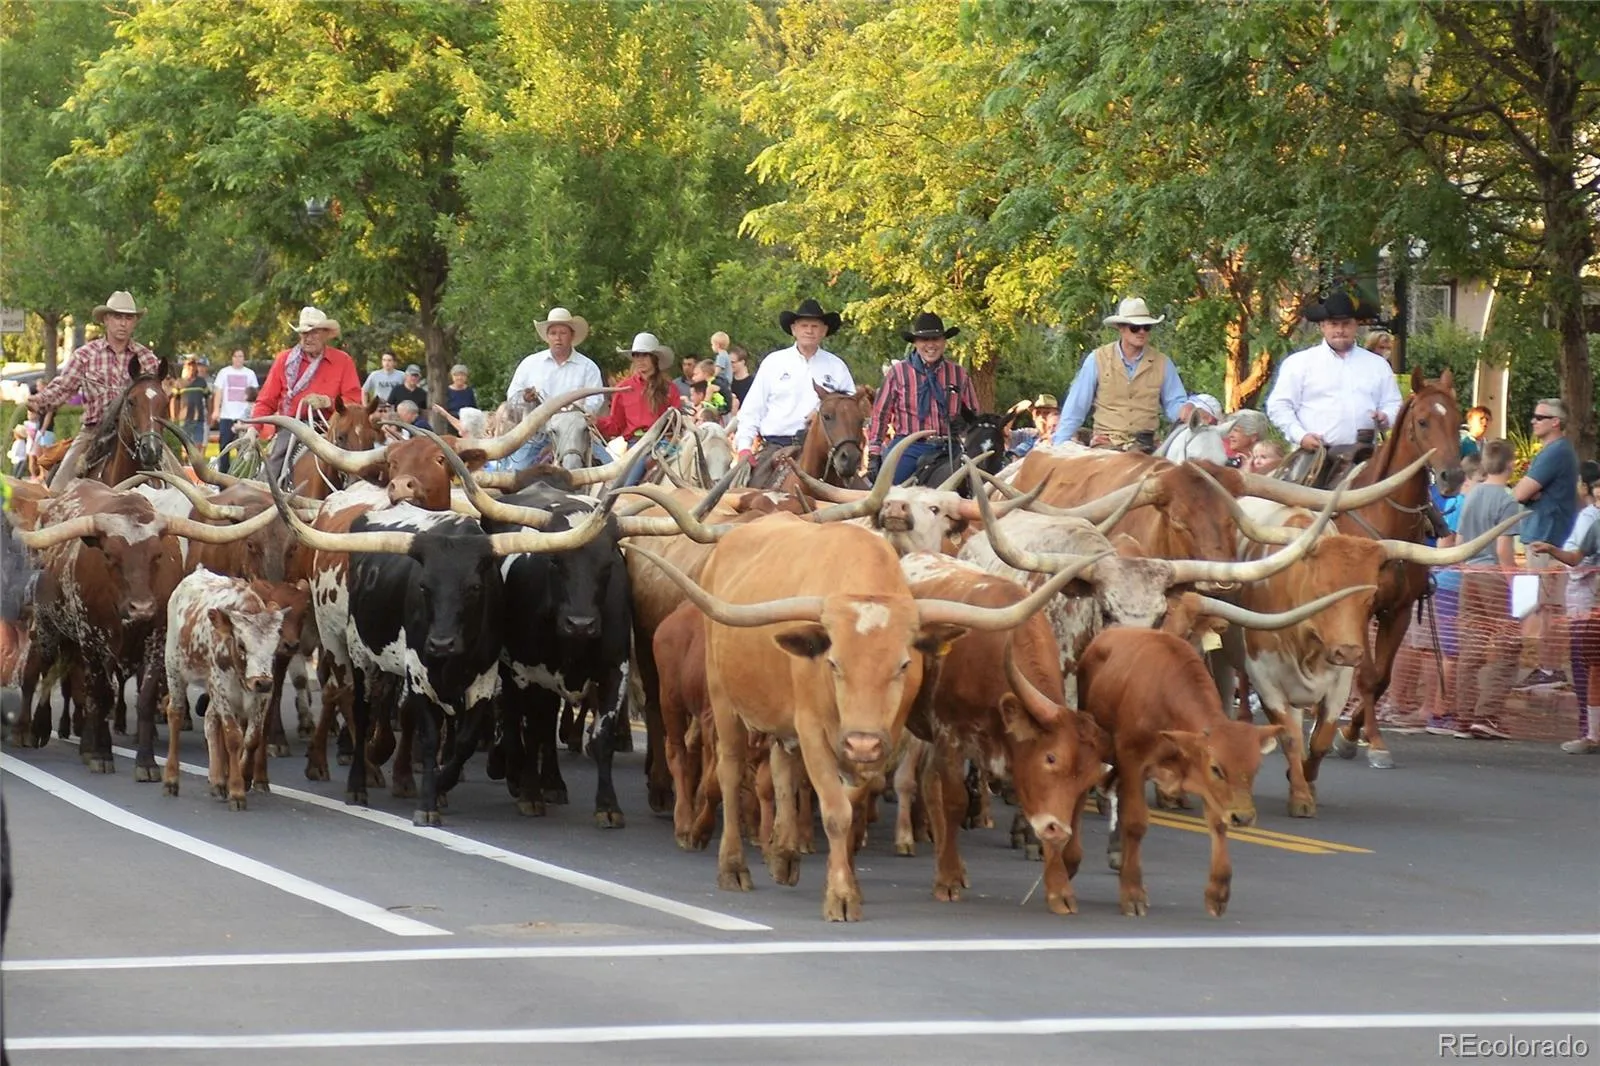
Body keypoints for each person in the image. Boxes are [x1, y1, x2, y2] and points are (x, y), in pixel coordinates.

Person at [28, 291, 163, 487]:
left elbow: (156, 397)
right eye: (117, 317)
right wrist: (38, 401)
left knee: (178, 482)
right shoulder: (85, 355)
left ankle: (200, 506)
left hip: (139, 434)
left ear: (134, 322)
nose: (123, 323)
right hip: (94, 431)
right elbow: (63, 387)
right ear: (106, 320)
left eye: (128, 318)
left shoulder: (147, 358)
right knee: (58, 487)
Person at [1265, 289, 1401, 459]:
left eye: (1346, 324)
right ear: (1322, 326)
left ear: (1355, 325)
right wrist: (1300, 436)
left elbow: (1393, 403)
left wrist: (1386, 417)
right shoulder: (1299, 363)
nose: (1340, 330)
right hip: (1314, 455)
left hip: (1365, 455)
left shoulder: (1377, 365)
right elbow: (1279, 406)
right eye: (1333, 324)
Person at [1445, 439, 1522, 739]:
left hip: (1470, 574)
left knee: (1471, 647)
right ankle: (1487, 715)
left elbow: (1461, 539)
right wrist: (1514, 583)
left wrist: (1465, 567)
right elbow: (1504, 550)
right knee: (1507, 646)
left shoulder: (1473, 495)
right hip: (1493, 574)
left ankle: (1463, 716)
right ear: (1511, 464)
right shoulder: (1507, 501)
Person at [1053, 296, 1192, 450]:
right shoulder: (1097, 359)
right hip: (1106, 445)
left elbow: (1174, 404)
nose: (1141, 332)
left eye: (1146, 327)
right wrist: (1058, 444)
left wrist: (1188, 411)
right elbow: (1076, 406)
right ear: (1121, 328)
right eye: (1135, 327)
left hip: (1146, 447)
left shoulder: (1163, 363)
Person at [1529, 461, 1600, 753]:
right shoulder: (1592, 520)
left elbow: (1576, 559)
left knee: (1588, 666)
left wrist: (1551, 550)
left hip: (1587, 602)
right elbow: (1577, 557)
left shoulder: (1590, 518)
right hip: (1589, 601)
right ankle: (1591, 731)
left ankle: (1590, 732)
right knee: (1591, 666)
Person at [248, 306, 364, 483]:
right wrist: (253, 429)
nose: (308, 338)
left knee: (359, 466)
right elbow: (266, 400)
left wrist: (328, 402)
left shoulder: (343, 361)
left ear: (326, 334)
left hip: (332, 428)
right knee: (274, 467)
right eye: (304, 333)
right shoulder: (284, 360)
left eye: (314, 333)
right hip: (293, 427)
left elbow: (355, 403)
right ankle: (265, 497)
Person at [734, 298, 856, 463]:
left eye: (815, 326)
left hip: (825, 451)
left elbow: (850, 407)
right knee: (744, 485)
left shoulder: (837, 366)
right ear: (794, 329)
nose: (809, 331)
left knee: (863, 487)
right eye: (804, 326)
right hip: (776, 447)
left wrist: (820, 411)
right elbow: (753, 408)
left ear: (824, 331)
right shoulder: (774, 362)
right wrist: (744, 447)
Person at [1511, 398, 1580, 689]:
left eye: (1540, 417)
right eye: (1534, 416)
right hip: (1542, 539)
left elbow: (1518, 493)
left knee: (1549, 609)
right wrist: (1530, 493)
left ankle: (1550, 670)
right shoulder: (1554, 452)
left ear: (1556, 422)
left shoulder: (1556, 452)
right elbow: (1526, 492)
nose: (1533, 421)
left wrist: (1529, 492)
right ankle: (1546, 668)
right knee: (1542, 607)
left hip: (1547, 542)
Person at [865, 312, 979, 483]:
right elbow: (880, 415)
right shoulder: (898, 373)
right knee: (886, 492)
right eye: (925, 340)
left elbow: (974, 414)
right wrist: (874, 454)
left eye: (936, 339)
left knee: (975, 487)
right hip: (909, 446)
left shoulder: (958, 374)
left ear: (944, 342)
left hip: (949, 446)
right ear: (916, 343)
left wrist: (964, 424)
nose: (931, 345)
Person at [503, 306, 608, 470]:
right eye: (553, 333)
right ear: (547, 337)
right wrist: (524, 398)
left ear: (572, 335)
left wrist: (577, 412)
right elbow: (512, 398)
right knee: (515, 474)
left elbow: (596, 400)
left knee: (612, 473)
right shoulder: (530, 364)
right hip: (538, 434)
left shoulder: (588, 366)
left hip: (576, 434)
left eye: (563, 333)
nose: (558, 338)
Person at [596, 333, 681, 487]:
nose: (640, 360)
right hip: (637, 445)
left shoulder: (670, 388)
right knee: (628, 487)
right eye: (636, 355)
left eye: (645, 355)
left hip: (666, 443)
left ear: (654, 358)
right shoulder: (624, 388)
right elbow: (616, 425)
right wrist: (595, 422)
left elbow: (676, 421)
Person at [211, 349, 258, 475]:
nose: (238, 359)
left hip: (244, 417)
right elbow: (219, 392)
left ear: (244, 358)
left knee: (243, 449)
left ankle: (241, 475)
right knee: (224, 448)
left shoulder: (250, 374)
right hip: (227, 416)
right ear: (232, 358)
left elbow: (254, 395)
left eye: (241, 356)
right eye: (236, 356)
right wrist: (216, 410)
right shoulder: (224, 372)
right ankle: (223, 477)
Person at [171, 355, 212, 452]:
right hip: (184, 419)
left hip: (199, 418)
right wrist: (174, 417)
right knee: (185, 446)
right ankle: (186, 464)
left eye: (193, 366)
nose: (191, 368)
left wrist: (209, 414)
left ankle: (195, 464)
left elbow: (208, 399)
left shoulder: (201, 382)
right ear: (185, 367)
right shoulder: (180, 383)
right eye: (189, 366)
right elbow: (174, 401)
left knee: (198, 445)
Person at [1007, 394, 1060, 458]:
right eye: (1037, 413)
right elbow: (1004, 431)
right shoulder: (1027, 434)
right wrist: (1016, 410)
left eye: (1047, 413)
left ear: (1056, 416)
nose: (1041, 416)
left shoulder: (1062, 438)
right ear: (1033, 416)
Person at [387, 364, 430, 430]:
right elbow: (389, 406)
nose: (414, 378)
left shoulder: (422, 393)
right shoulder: (397, 390)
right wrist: (391, 422)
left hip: (416, 427)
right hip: (398, 425)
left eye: (416, 376)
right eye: (412, 375)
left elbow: (425, 412)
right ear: (406, 376)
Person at [727, 345, 755, 412]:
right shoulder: (728, 381)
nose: (729, 365)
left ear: (742, 362)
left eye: (733, 362)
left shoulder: (752, 383)